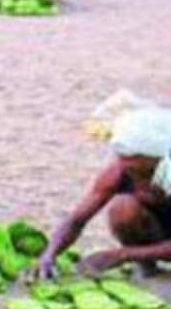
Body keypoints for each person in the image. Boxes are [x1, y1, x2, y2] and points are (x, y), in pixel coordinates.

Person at [38, 107, 171, 278]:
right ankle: (148, 267)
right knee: (122, 208)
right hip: (158, 234)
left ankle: (140, 256)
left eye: (145, 171)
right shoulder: (118, 173)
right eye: (131, 170)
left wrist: (123, 254)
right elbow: (76, 221)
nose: (138, 177)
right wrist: (49, 254)